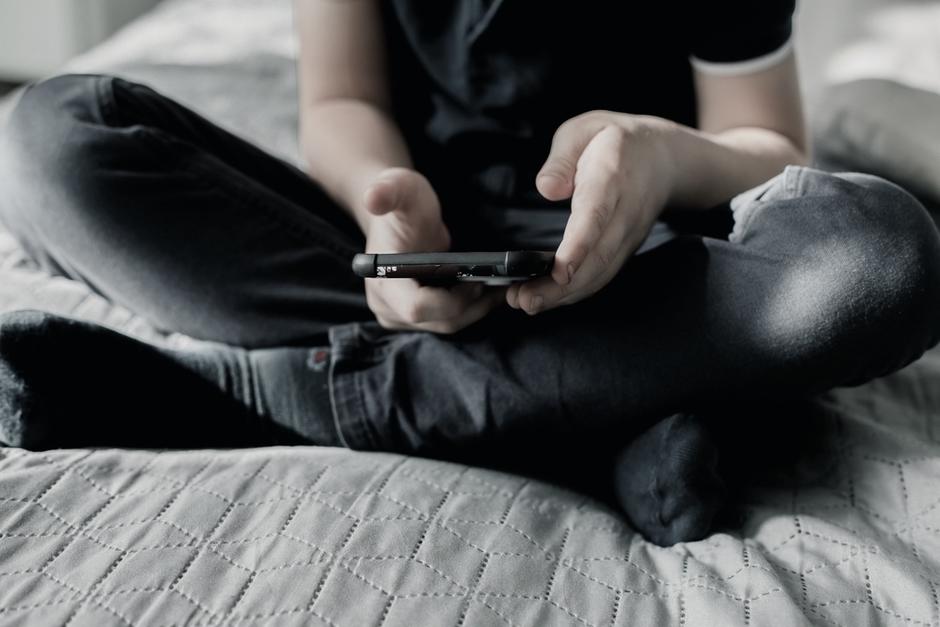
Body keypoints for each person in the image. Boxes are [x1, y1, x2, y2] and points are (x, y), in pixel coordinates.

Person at [0, 0, 939, 546]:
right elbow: (340, 100)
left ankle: (305, 394)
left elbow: (769, 148)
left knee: (883, 256)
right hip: (402, 245)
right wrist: (384, 202)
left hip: (647, 264)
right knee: (54, 139)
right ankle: (606, 401)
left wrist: (660, 155)